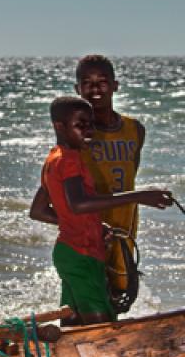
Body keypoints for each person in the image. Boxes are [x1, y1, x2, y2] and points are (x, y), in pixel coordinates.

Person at [28, 95, 173, 325]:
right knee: (101, 324)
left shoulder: (54, 158)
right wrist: (140, 196)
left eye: (90, 124)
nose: (89, 130)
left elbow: (38, 210)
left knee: (73, 321)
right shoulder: (69, 161)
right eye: (80, 125)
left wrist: (93, 225)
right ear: (59, 126)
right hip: (81, 254)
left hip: (70, 252)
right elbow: (78, 204)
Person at [76, 54, 149, 312]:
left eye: (102, 81)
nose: (95, 89)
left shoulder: (134, 129)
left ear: (115, 86)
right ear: (78, 90)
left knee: (119, 296)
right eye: (87, 83)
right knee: (86, 297)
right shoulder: (77, 133)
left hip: (124, 224)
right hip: (91, 225)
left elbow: (131, 173)